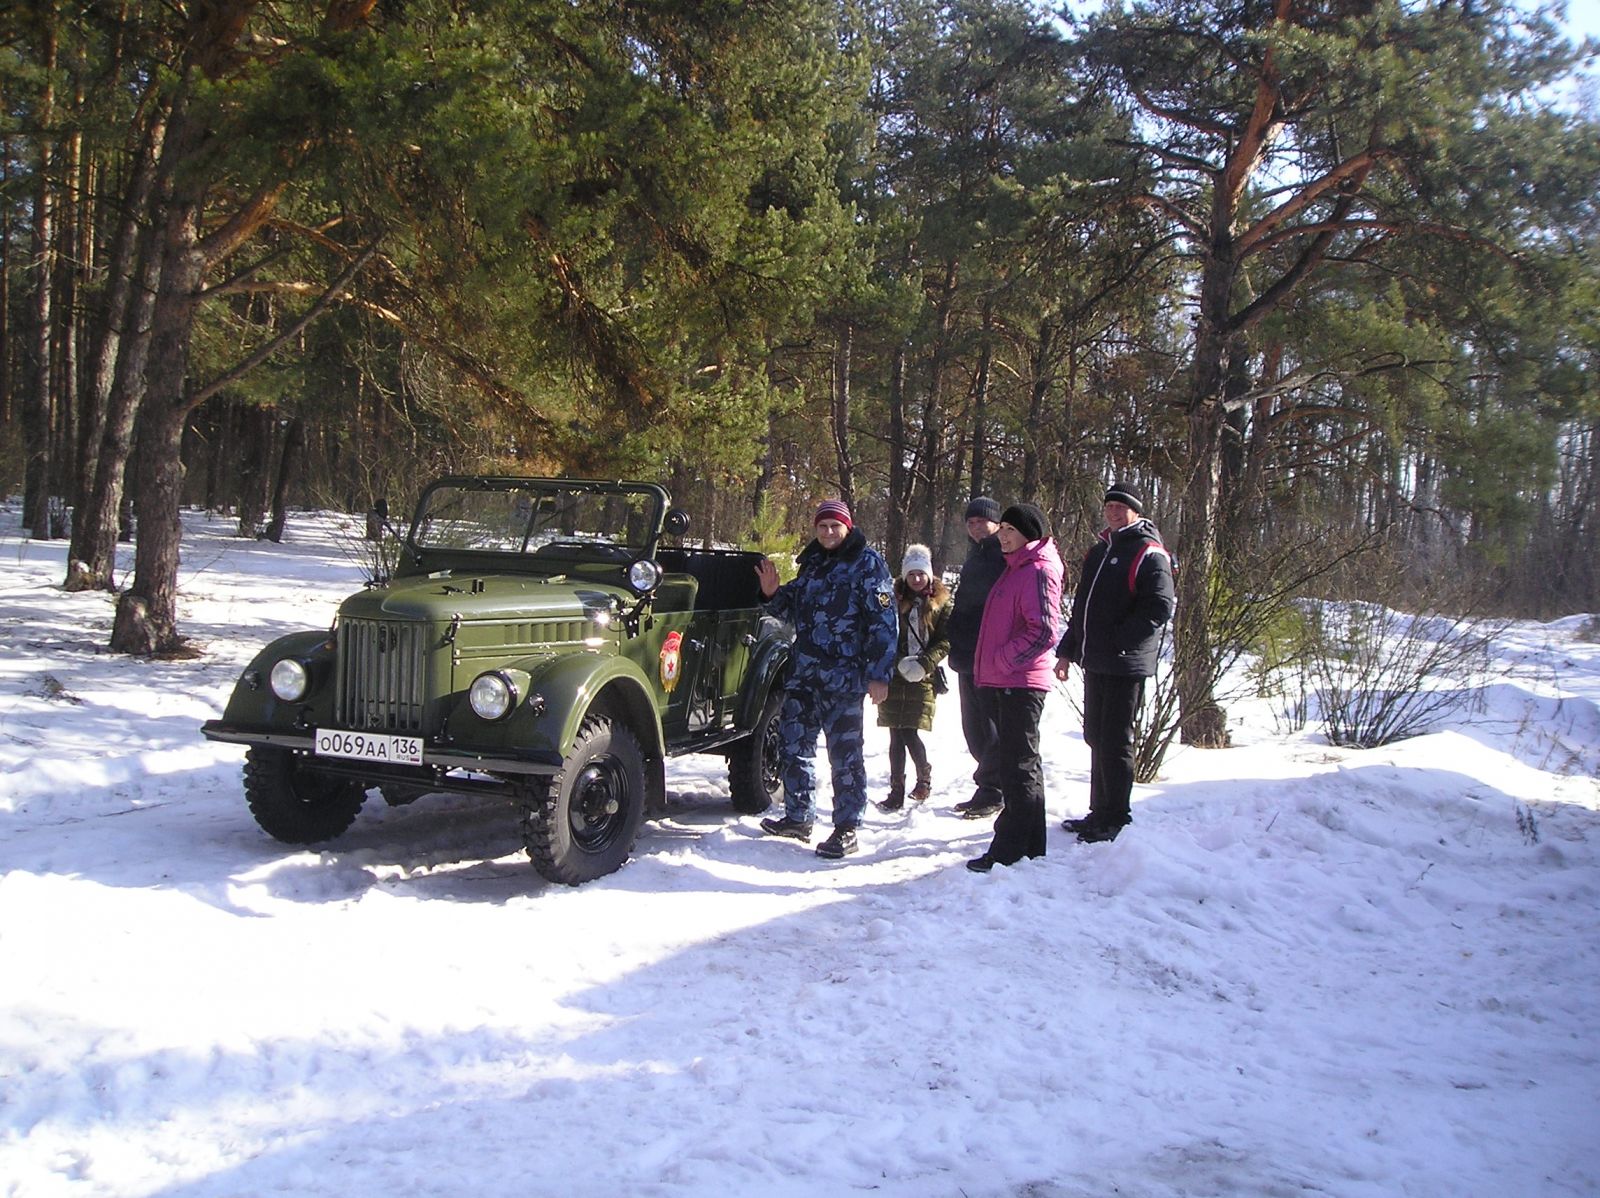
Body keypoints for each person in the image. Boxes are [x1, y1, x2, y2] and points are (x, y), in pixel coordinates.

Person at [754, 499, 898, 859]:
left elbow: (884, 623)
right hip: (804, 674)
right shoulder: (813, 562)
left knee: (845, 757)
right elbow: (792, 605)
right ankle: (798, 816)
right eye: (823, 527)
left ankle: (847, 827)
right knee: (793, 746)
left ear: (848, 527)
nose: (829, 532)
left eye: (835, 526)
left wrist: (879, 675)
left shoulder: (868, 564)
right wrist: (772, 593)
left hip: (845, 678)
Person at [1053, 482, 1175, 844]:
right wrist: (1067, 650)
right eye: (1109, 507)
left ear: (1135, 512)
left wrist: (1122, 640)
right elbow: (1083, 609)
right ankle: (1098, 811)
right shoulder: (1100, 551)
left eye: (1121, 507)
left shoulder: (1149, 552)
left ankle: (1116, 815)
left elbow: (1159, 606)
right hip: (1096, 660)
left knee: (1115, 740)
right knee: (1096, 736)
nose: (1113, 513)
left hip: (1125, 663)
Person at [966, 503, 1063, 873]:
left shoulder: (1037, 569)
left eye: (1010, 529)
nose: (1003, 535)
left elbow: (1043, 631)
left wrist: (1004, 661)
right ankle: (1029, 845)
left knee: (1016, 767)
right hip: (1006, 681)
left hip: (1020, 683)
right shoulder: (1016, 568)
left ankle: (1008, 849)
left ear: (1030, 534)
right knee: (1021, 765)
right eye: (1002, 528)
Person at [875, 544, 952, 812]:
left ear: (929, 575)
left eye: (921, 574)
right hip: (895, 676)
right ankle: (896, 790)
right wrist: (897, 663)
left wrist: (925, 663)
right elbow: (883, 633)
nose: (916, 579)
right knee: (895, 733)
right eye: (911, 575)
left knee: (910, 731)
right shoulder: (892, 599)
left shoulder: (942, 603)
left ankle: (924, 779)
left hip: (924, 678)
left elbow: (944, 640)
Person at [944, 497, 1008, 819]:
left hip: (991, 656)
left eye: (982, 521)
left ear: (996, 523)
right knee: (973, 727)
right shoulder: (975, 556)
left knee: (990, 726)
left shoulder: (1003, 556)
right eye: (970, 523)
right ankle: (987, 785)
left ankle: (993, 790)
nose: (976, 527)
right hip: (967, 653)